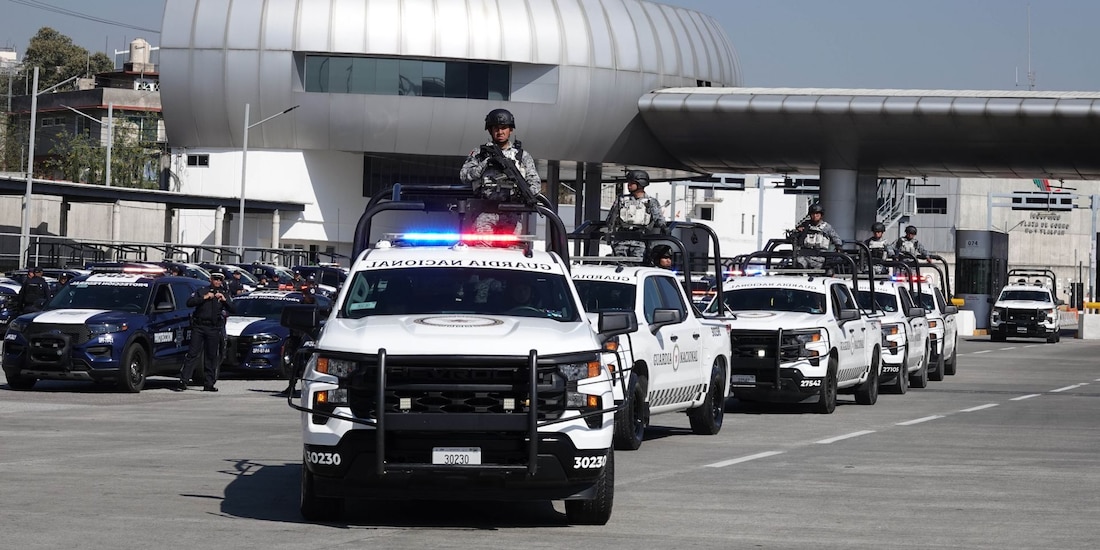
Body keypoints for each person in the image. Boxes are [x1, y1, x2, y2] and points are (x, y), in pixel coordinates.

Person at [459, 108, 542, 235]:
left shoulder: (521, 156)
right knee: (482, 247)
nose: (500, 132)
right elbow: (464, 176)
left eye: (504, 128)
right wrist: (485, 164)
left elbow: (535, 183)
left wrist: (525, 194)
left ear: (510, 130)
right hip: (483, 213)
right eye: (496, 128)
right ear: (490, 130)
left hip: (511, 213)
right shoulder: (479, 154)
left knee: (511, 248)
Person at [178, 272, 235, 392]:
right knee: (193, 354)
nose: (217, 282)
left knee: (211, 356)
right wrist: (204, 297)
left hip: (213, 328)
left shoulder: (223, 293)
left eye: (220, 280)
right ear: (210, 279)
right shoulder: (202, 291)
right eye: (215, 279)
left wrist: (224, 300)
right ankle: (184, 380)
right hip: (199, 326)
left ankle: (209, 383)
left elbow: (233, 308)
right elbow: (189, 302)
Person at [606, 170, 666, 259]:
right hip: (621, 240)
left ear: (640, 184)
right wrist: (610, 236)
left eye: (632, 183)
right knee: (619, 264)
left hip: (641, 240)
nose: (628, 185)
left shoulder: (651, 202)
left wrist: (664, 229)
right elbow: (611, 220)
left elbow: (659, 219)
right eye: (629, 182)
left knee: (638, 264)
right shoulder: (621, 200)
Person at [793, 203, 842, 269]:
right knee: (799, 263)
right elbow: (795, 238)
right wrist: (799, 232)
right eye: (813, 214)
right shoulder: (805, 225)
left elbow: (835, 237)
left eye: (817, 214)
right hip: (805, 255)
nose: (815, 216)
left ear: (821, 215)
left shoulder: (826, 227)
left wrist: (838, 246)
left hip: (820, 256)